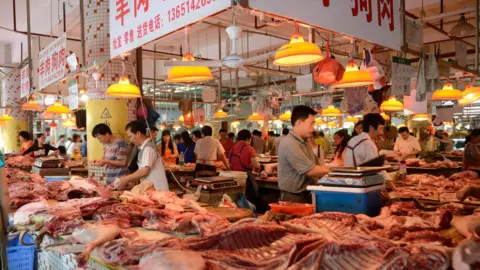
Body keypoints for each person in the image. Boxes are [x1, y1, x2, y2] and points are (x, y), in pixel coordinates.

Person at [278, 105, 330, 203]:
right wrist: (333, 170)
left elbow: (316, 165)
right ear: (299, 122)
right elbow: (310, 170)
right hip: (293, 199)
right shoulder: (290, 143)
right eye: (311, 123)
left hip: (306, 195)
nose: (313, 128)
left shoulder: (304, 142)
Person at [117, 120, 168, 190]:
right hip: (151, 189)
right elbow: (142, 170)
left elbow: (144, 171)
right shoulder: (143, 147)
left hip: (158, 189)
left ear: (138, 133)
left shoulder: (148, 148)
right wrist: (133, 180)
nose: (130, 140)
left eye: (130, 137)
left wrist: (126, 178)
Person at [229, 129, 262, 208]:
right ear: (248, 138)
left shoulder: (233, 148)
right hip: (246, 178)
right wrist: (259, 167)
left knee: (237, 199)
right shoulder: (249, 148)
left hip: (234, 178)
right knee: (252, 197)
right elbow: (256, 165)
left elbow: (230, 164)